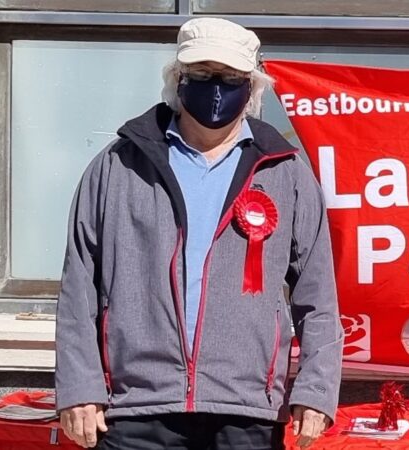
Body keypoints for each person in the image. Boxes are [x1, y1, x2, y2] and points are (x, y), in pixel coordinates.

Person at [54, 17, 343, 450]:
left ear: (252, 87)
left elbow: (318, 298)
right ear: (177, 79)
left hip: (246, 410)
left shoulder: (287, 173)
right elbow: (79, 288)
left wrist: (316, 391)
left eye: (230, 78)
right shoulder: (117, 166)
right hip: (136, 408)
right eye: (202, 75)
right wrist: (79, 386)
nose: (216, 88)